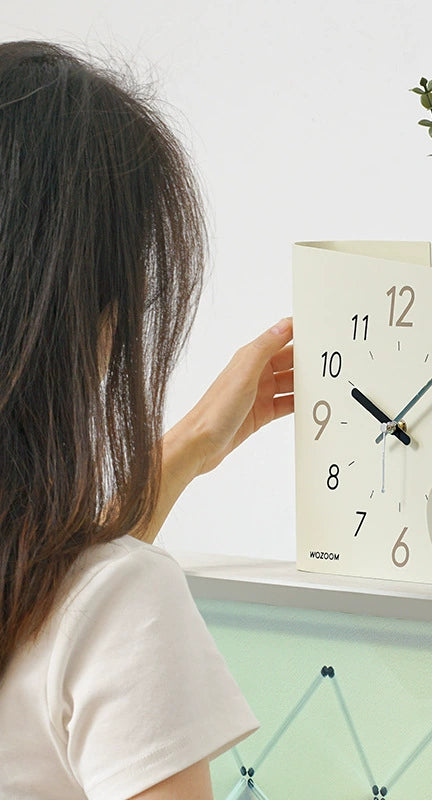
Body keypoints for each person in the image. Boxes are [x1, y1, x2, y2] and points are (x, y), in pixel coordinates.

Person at [0, 41, 293, 798]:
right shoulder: (122, 601)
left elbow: (39, 598)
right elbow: (77, 610)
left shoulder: (69, 596)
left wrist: (192, 444)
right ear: (94, 315)